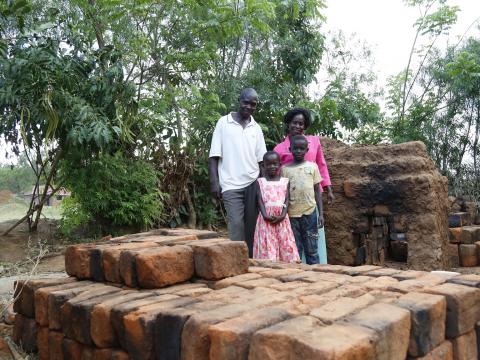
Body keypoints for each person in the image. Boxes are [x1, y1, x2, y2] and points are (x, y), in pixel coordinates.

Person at [208, 88, 267, 257]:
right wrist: (214, 183)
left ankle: (250, 264)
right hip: (230, 185)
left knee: (252, 227)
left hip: (252, 183)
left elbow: (261, 161)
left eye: (253, 104)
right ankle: (235, 262)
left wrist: (262, 185)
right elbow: (213, 156)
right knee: (236, 226)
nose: (249, 106)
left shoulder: (256, 128)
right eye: (246, 102)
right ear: (239, 100)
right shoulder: (223, 123)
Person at [273, 108, 333, 263]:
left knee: (313, 241)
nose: (298, 126)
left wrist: (328, 188)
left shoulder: (314, 142)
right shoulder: (279, 148)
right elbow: (276, 174)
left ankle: (317, 270)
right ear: (289, 124)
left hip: (311, 199)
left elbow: (321, 165)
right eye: (295, 123)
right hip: (291, 202)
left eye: (301, 124)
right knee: (295, 241)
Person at [281, 135, 323, 265]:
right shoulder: (285, 170)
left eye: (301, 149)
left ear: (307, 150)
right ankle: (298, 279)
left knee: (312, 249)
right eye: (296, 148)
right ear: (290, 149)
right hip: (292, 215)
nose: (298, 151)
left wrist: (321, 214)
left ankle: (316, 277)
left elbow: (317, 190)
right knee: (295, 249)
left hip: (310, 213)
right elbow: (284, 193)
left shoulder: (313, 167)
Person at [253, 151, 299, 263]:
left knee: (285, 243)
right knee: (268, 245)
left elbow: (287, 199)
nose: (272, 167)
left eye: (275, 164)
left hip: (282, 220)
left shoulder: (285, 181)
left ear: (280, 164)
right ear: (263, 166)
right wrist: (265, 215)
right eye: (268, 164)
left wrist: (283, 215)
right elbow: (260, 200)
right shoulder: (260, 182)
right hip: (265, 220)